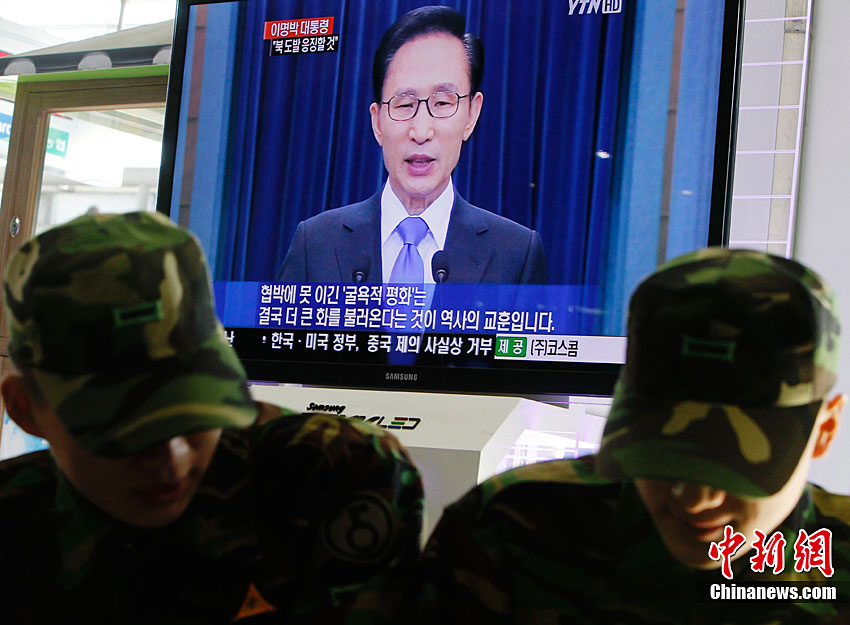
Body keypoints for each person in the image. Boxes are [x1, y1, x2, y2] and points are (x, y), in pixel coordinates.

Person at [0, 211, 423, 624]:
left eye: (192, 411)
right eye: (128, 431)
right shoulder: (15, 521)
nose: (172, 459)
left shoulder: (328, 473)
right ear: (24, 407)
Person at [416, 248, 850, 623]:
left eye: (733, 463)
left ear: (825, 429)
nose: (694, 499)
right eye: (664, 455)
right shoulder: (514, 528)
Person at [278, 6, 547, 285]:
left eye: (442, 103)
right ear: (377, 122)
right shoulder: (315, 244)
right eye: (405, 105)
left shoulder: (517, 256)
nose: (420, 132)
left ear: (471, 114)